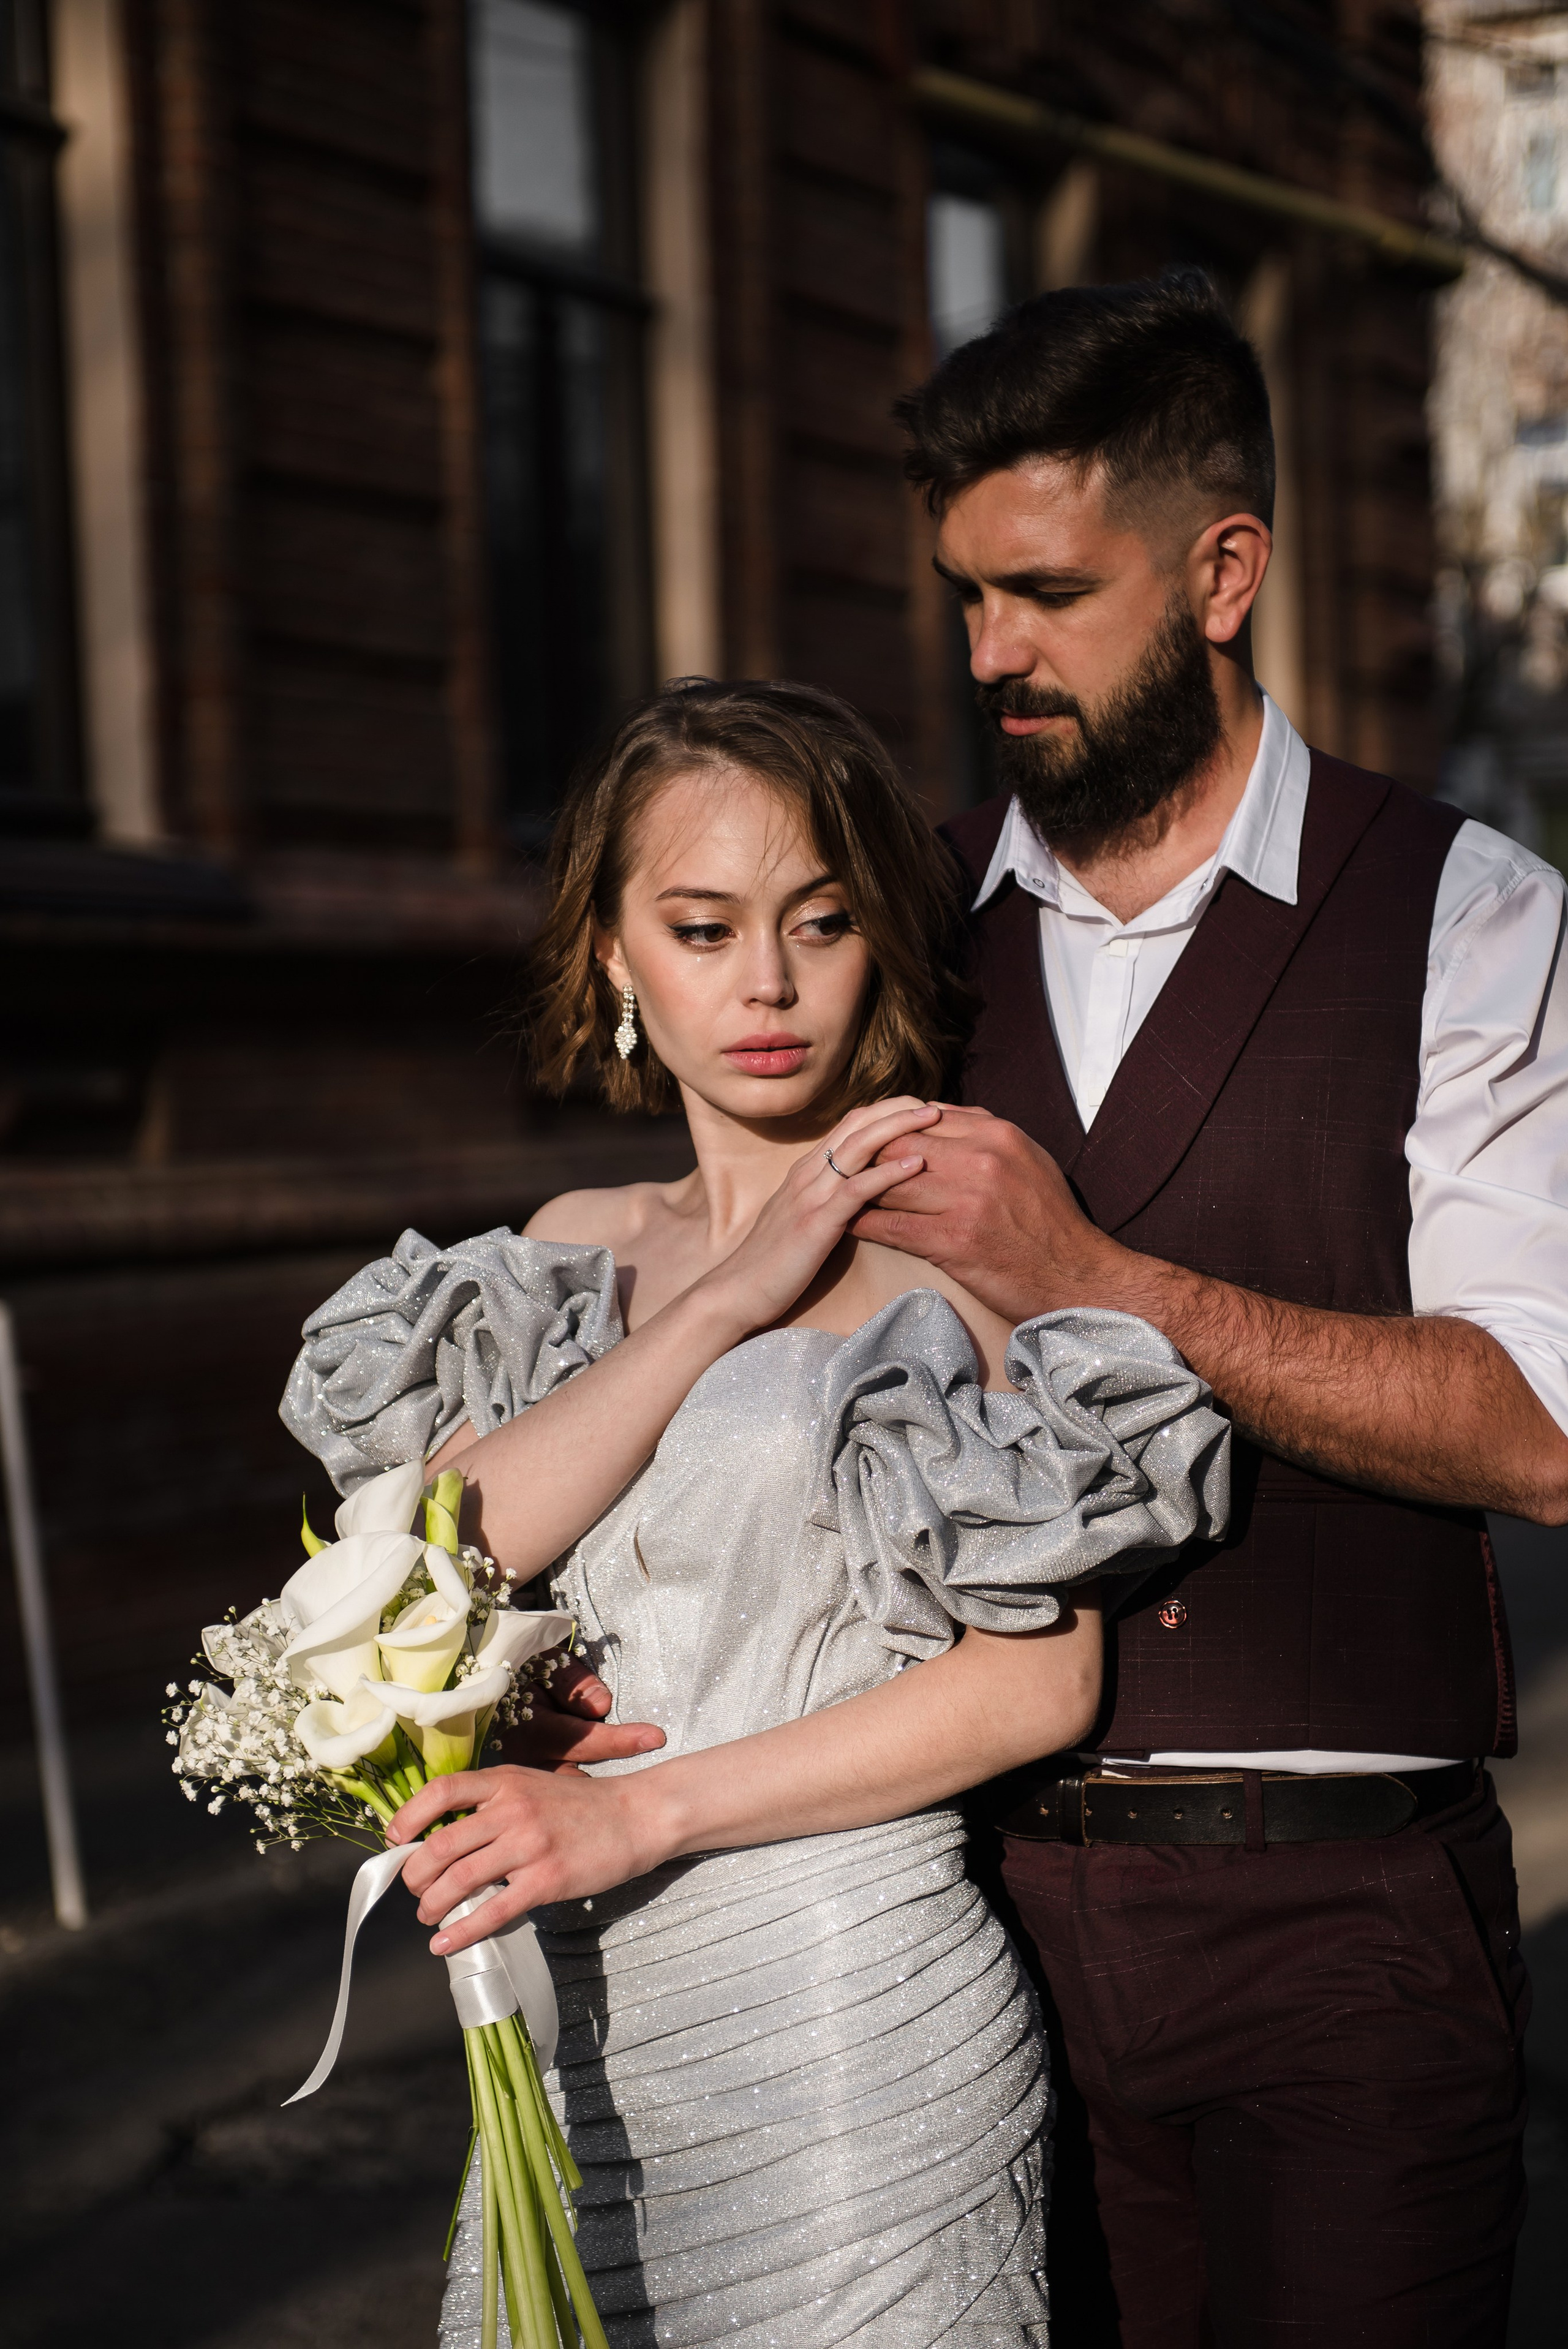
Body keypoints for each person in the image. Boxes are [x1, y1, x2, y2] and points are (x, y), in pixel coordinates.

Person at [509, 270, 1568, 2349]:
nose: (989, 652)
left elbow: (1538, 1427)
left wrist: (1098, 1282)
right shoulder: (900, 928)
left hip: (1342, 1916)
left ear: (1224, 571)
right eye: (964, 595)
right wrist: (582, 1660)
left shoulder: (1468, 912)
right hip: (959, 1934)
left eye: (1047, 593)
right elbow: (696, 1311)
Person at [280, 679, 1229, 2348]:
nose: (770, 985)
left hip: (852, 2017)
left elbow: (1038, 1685)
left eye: (821, 919)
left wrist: (640, 1819)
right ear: (612, 957)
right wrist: (723, 1298)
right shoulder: (566, 1242)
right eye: (705, 928)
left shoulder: (967, 1222)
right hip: (575, 2039)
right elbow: (435, 1556)